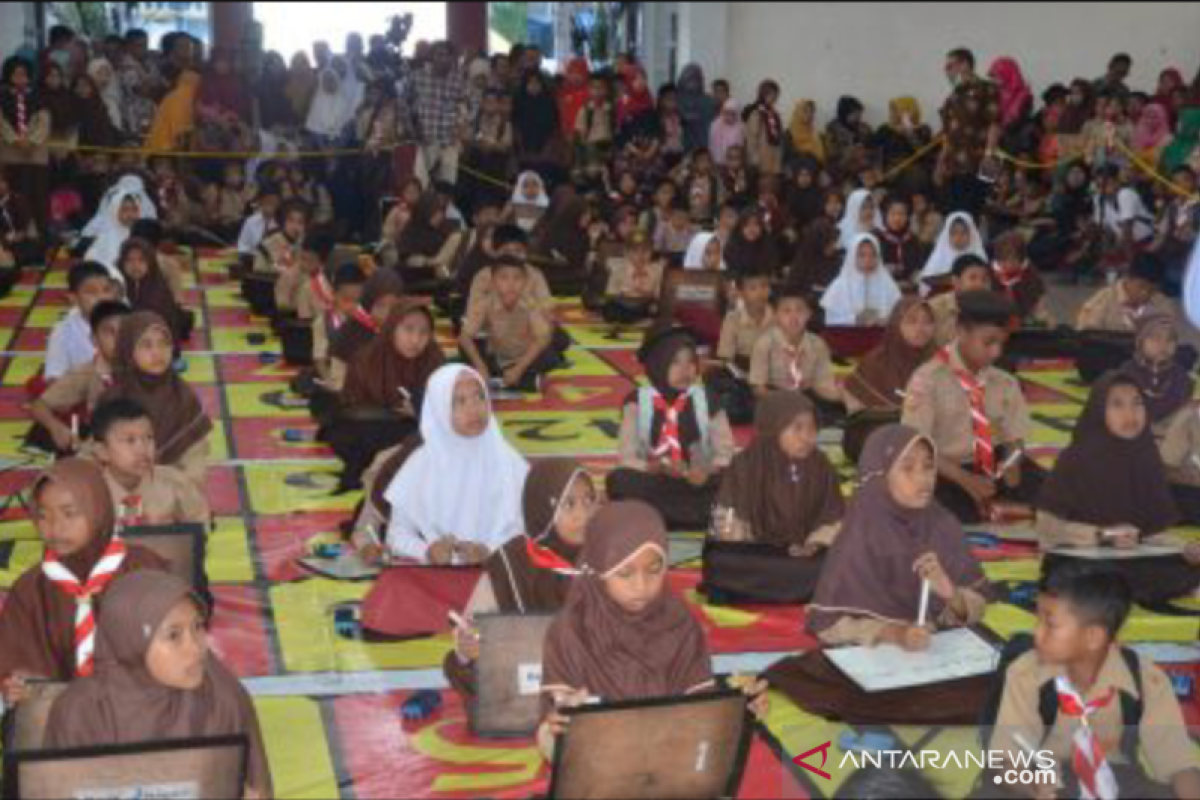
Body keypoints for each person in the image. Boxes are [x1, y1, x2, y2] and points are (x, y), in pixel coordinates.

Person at [43, 572, 273, 800]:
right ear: (131, 641)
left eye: (198, 627)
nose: (196, 648)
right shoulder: (81, 713)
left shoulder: (222, 699)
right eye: (174, 636)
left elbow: (257, 789)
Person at [988, 563, 1200, 800]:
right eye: (1037, 620)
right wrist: (1032, 787)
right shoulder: (1026, 673)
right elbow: (1006, 761)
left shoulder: (1145, 679)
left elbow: (1177, 764)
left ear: (1093, 637)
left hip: (1117, 779)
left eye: (1050, 624)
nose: (1036, 633)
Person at [537, 501, 722, 760]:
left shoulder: (679, 623)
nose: (641, 586)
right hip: (597, 765)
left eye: (654, 570)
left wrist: (740, 712)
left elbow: (702, 705)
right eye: (624, 573)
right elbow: (554, 730)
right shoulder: (570, 631)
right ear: (600, 569)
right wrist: (557, 729)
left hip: (669, 758)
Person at [808, 424, 991, 648]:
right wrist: (894, 633)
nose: (923, 478)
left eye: (928, 467)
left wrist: (951, 594)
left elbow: (977, 605)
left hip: (937, 652)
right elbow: (828, 625)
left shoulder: (943, 524)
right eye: (908, 468)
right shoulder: (861, 532)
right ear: (880, 476)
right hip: (879, 658)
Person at [0, 459, 167, 702]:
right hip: (64, 718)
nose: (56, 528)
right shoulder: (30, 590)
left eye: (70, 513)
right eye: (44, 516)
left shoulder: (144, 569)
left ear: (97, 509)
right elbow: (19, 662)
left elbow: (173, 648)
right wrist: (16, 683)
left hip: (142, 706)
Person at [1036, 374, 1199, 605]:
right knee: (1093, 576)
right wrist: (1102, 535)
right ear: (1099, 409)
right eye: (1117, 404)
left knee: (1177, 564)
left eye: (1137, 403)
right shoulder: (1077, 457)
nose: (1130, 414)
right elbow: (1047, 528)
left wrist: (1184, 548)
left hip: (1131, 557)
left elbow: (1148, 533)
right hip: (1080, 555)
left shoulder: (1146, 454)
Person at [444, 459, 598, 699]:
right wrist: (467, 649)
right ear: (541, 509)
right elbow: (471, 634)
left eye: (589, 501)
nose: (583, 515)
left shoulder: (610, 552)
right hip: (532, 679)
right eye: (568, 504)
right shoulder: (511, 564)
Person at [902, 290, 1043, 523]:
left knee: (1059, 494)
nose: (996, 352)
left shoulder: (1004, 381)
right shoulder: (928, 379)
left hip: (994, 466)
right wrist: (966, 481)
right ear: (961, 332)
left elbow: (1015, 441)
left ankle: (1007, 507)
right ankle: (1006, 509)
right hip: (946, 468)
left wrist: (1010, 471)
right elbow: (918, 446)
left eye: (1001, 343)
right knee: (932, 504)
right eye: (988, 342)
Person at [381, 364, 529, 564]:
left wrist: (490, 550)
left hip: (496, 576)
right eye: (460, 401)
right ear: (439, 407)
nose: (474, 409)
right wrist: (426, 551)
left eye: (479, 397)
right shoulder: (422, 463)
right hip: (435, 579)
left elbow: (528, 527)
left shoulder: (508, 461)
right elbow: (396, 535)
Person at [710, 392, 844, 591]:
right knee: (722, 563)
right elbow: (727, 517)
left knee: (838, 564)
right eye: (797, 428)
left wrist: (816, 543)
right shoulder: (745, 465)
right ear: (772, 428)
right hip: (757, 555)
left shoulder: (820, 465)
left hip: (806, 556)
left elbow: (834, 517)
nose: (807, 437)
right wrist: (740, 542)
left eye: (812, 428)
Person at [607, 328, 735, 531]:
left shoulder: (709, 400)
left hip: (698, 484)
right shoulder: (637, 403)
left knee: (737, 478)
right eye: (675, 362)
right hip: (656, 482)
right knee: (619, 480)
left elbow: (726, 452)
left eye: (690, 362)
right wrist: (654, 467)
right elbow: (626, 457)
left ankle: (659, 517)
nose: (685, 370)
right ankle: (697, 516)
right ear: (658, 364)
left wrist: (707, 470)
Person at [327, 301, 445, 491]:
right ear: (392, 328)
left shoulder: (434, 359)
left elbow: (447, 409)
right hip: (371, 430)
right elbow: (349, 405)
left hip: (413, 429)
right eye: (408, 329)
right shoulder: (368, 358)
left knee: (429, 437)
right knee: (342, 433)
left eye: (424, 333)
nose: (415, 340)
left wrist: (420, 410)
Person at [97, 311, 213, 488]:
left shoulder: (183, 396)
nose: (157, 353)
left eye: (163, 344)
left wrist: (163, 482)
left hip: (172, 487)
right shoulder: (113, 398)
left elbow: (195, 457)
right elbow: (99, 452)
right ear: (128, 349)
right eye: (146, 345)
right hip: (123, 485)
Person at [26, 300, 129, 454]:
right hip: (102, 451)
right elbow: (39, 406)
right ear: (94, 339)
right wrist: (56, 428)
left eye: (125, 332)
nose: (119, 340)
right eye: (109, 332)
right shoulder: (85, 372)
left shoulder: (148, 368)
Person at [91, 397, 210, 528]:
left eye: (149, 437)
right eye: (130, 440)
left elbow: (200, 526)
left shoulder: (174, 484)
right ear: (102, 451)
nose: (142, 449)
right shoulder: (89, 493)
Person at [460, 257, 563, 393]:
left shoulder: (529, 304)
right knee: (466, 353)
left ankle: (511, 377)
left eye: (517, 278)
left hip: (526, 356)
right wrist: (481, 366)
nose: (511, 284)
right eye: (503, 278)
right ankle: (521, 380)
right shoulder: (486, 303)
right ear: (493, 282)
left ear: (525, 282)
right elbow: (464, 337)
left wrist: (519, 368)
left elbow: (543, 338)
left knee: (550, 356)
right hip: (499, 355)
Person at [749, 286, 840, 408]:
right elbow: (758, 389)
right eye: (786, 311)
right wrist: (787, 402)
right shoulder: (764, 344)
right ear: (775, 315)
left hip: (806, 396)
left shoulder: (818, 344)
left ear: (809, 314)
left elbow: (822, 386)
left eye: (800, 310)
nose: (794, 316)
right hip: (773, 397)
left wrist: (842, 397)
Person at [937, 48, 1001, 218]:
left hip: (976, 162)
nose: (947, 71)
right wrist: (941, 161)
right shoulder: (953, 96)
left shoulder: (987, 89)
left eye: (951, 66)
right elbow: (947, 132)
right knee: (953, 214)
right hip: (952, 166)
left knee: (972, 211)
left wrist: (989, 154)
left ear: (965, 64)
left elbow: (994, 124)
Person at [843, 298, 936, 415]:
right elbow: (860, 414)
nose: (920, 328)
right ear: (896, 325)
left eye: (928, 322)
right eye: (911, 322)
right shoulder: (877, 362)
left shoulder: (939, 359)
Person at [1118, 312, 1194, 438]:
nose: (1163, 345)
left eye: (1170, 339)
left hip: (1169, 430)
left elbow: (1179, 404)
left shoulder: (1179, 373)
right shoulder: (1128, 371)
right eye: (1155, 338)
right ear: (1140, 342)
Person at [45, 261, 120, 382]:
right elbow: (54, 378)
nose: (102, 298)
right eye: (91, 292)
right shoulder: (63, 332)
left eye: (106, 290)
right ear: (73, 298)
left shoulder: (128, 321)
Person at [117, 237, 192, 346]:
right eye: (129, 260)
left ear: (150, 262)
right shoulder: (117, 285)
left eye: (141, 260)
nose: (135, 265)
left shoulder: (159, 291)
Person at [411, 42, 467, 184]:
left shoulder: (458, 79)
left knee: (448, 185)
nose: (443, 58)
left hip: (450, 142)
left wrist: (460, 129)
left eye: (447, 55)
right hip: (426, 140)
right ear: (431, 57)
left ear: (452, 58)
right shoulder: (418, 77)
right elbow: (404, 104)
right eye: (439, 54)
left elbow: (466, 107)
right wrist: (413, 129)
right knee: (421, 183)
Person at [83, 175, 157, 280]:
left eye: (134, 210)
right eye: (125, 210)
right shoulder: (105, 237)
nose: (130, 214)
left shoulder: (143, 234)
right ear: (115, 211)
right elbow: (91, 262)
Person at [820, 233, 902, 327]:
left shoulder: (888, 284)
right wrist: (854, 320)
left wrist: (884, 320)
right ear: (852, 256)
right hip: (848, 337)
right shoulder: (840, 285)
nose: (868, 259)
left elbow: (898, 316)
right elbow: (830, 321)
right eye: (862, 255)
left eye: (873, 255)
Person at [928, 254, 992, 347]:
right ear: (956, 282)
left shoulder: (993, 308)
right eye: (973, 278)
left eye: (984, 279)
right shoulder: (933, 309)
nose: (980, 284)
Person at [917, 211, 986, 285]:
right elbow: (925, 286)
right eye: (954, 232)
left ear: (971, 235)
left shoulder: (980, 258)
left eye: (963, 232)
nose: (959, 237)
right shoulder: (938, 259)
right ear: (947, 235)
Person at [873, 194, 927, 289]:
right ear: (885, 215)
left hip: (910, 290)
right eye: (893, 214)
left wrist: (915, 276)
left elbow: (919, 267)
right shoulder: (875, 239)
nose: (897, 218)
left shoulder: (913, 240)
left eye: (902, 214)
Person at [743, 79, 784, 175]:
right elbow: (752, 137)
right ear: (763, 94)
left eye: (776, 94)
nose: (774, 97)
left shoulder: (775, 114)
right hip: (761, 159)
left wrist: (780, 155)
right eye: (771, 94)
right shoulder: (756, 113)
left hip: (775, 158)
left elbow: (780, 137)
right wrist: (754, 157)